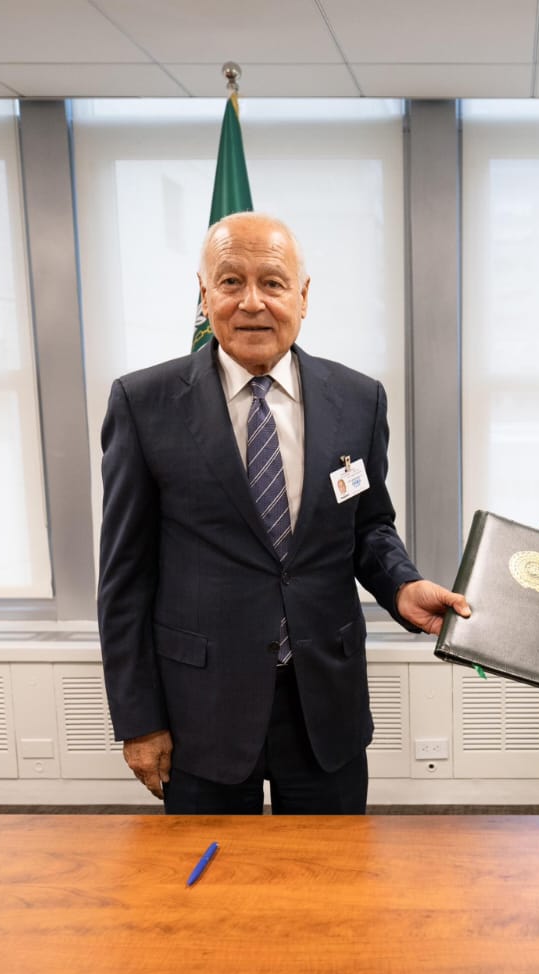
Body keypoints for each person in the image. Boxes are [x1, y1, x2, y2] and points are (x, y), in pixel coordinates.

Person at [98, 212, 468, 814]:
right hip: (201, 709)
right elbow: (124, 577)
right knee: (212, 872)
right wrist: (139, 720)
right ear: (204, 294)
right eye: (230, 282)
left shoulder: (358, 400)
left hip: (325, 702)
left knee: (331, 868)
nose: (252, 302)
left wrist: (402, 585)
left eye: (272, 283)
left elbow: (369, 526)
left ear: (303, 295)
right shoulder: (144, 404)